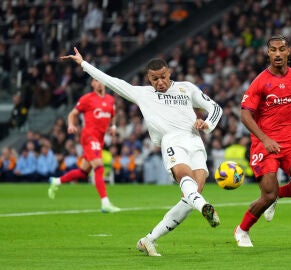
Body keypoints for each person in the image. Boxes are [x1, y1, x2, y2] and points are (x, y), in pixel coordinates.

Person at [60, 47, 223, 256]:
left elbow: (215, 108)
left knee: (190, 196)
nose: (160, 82)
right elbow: (111, 81)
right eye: (155, 79)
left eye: (163, 77)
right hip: (172, 141)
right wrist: (83, 64)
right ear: (149, 77)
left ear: (169, 73)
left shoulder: (186, 88)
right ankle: (206, 207)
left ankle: (148, 239)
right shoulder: (143, 94)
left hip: (195, 141)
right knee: (185, 178)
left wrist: (207, 124)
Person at [235, 35, 291, 247]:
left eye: (281, 49)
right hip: (264, 145)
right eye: (273, 50)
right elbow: (245, 114)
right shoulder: (260, 82)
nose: (277, 53)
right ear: (268, 53)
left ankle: (278, 196)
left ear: (288, 52)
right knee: (267, 195)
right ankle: (242, 230)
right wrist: (264, 139)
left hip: (290, 143)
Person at [48, 78, 121, 213]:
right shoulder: (87, 98)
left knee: (83, 172)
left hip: (99, 140)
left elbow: (113, 114)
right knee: (99, 167)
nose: (99, 83)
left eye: (101, 80)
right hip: (89, 137)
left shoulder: (110, 99)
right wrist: (71, 125)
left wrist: (114, 126)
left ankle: (56, 181)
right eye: (96, 81)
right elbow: (73, 114)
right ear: (92, 84)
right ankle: (105, 203)